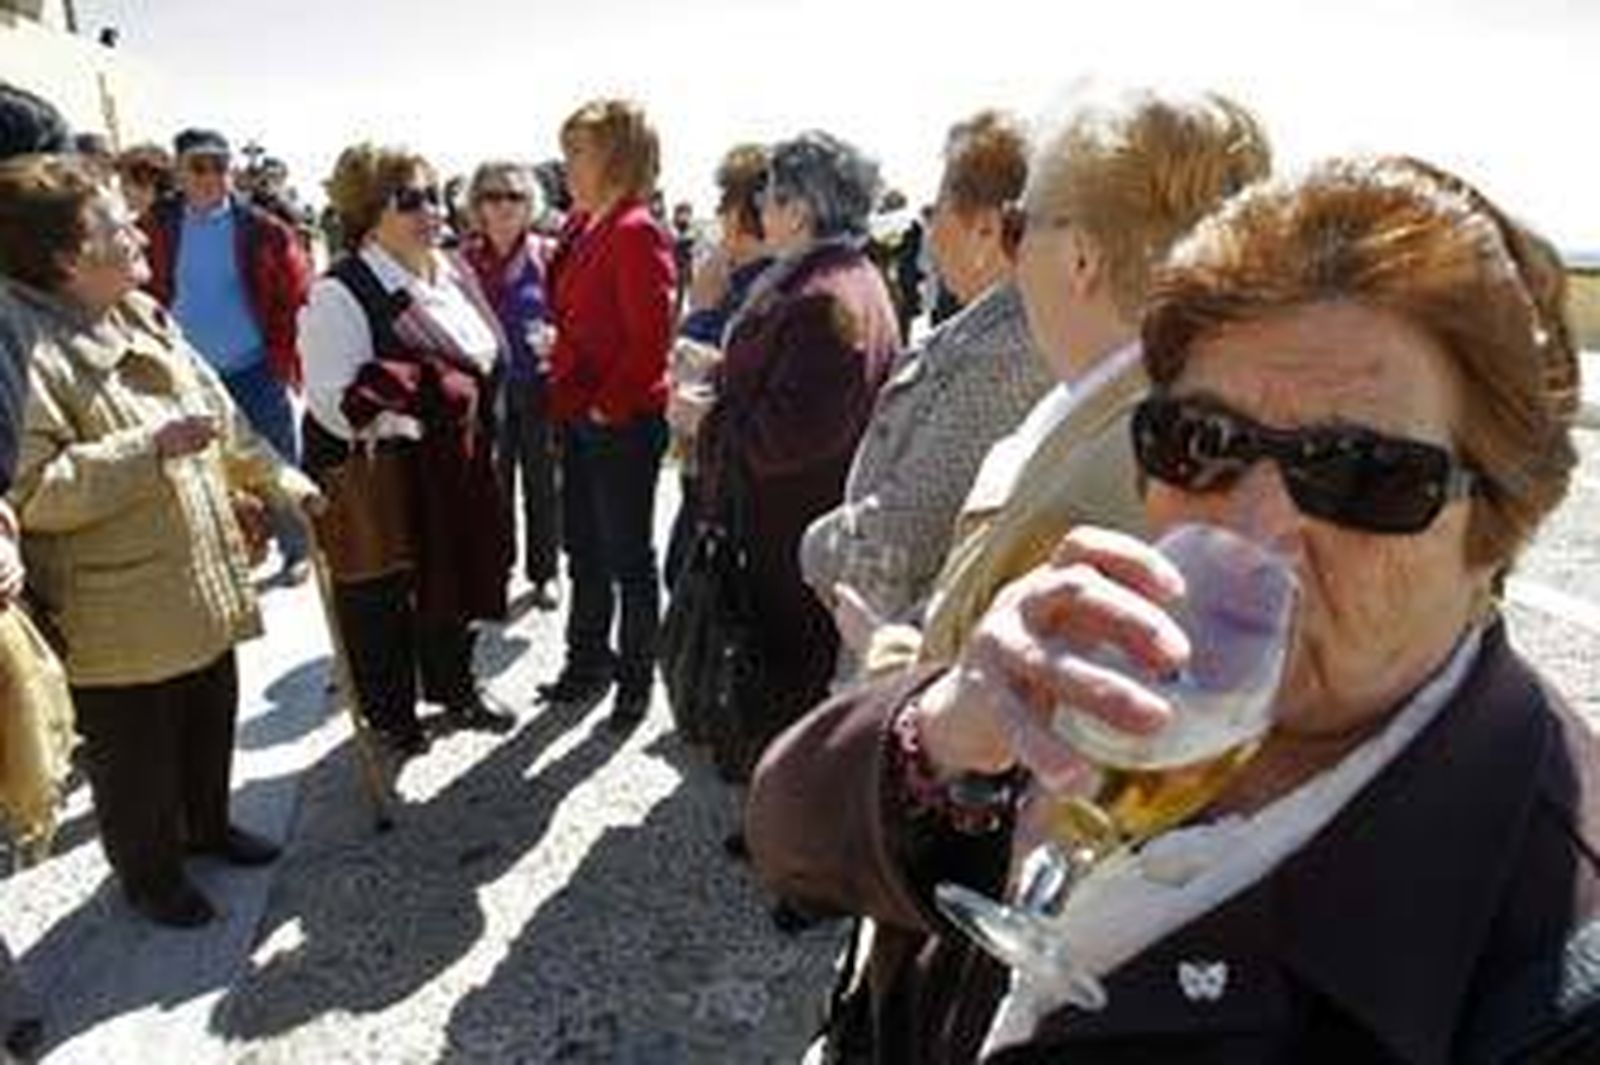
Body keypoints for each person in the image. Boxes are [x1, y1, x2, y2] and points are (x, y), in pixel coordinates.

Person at [749, 154, 1597, 1061]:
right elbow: (790, 841)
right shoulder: (1132, 668)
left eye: (1362, 472)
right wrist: (944, 727)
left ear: (1499, 526)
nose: (1258, 526)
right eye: (1202, 440)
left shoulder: (1551, 995)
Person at [2, 154, 322, 928]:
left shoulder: (144, 313)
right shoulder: (23, 350)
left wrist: (286, 484)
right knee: (136, 761)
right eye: (115, 223)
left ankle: (208, 827)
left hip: (191, 578)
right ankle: (150, 875)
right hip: (119, 612)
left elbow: (226, 420)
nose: (141, 228)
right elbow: (31, 491)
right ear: (66, 258)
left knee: (210, 710)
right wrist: (148, 449)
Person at [800, 109, 1050, 679]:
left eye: (936, 210)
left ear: (987, 228)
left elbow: (911, 521)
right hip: (899, 640)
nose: (930, 229)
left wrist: (817, 548)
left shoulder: (1006, 350)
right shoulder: (987, 329)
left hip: (910, 658)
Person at [692, 129, 900, 777]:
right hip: (798, 519)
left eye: (772, 199)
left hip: (787, 527)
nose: (762, 213)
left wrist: (704, 414)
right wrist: (723, 368)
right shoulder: (840, 276)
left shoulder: (822, 295)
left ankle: (779, 811)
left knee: (786, 674)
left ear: (801, 210)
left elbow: (790, 432)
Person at [299, 143, 516, 755]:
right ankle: (391, 715)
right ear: (370, 211)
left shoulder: (450, 270)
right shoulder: (342, 291)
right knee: (383, 596)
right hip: (388, 469)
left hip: (458, 463)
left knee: (461, 574)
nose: (435, 210)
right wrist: (423, 399)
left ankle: (454, 686)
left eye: (439, 194)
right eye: (412, 199)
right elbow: (333, 406)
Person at [540, 99, 677, 729]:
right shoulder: (582, 224)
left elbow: (650, 341)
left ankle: (633, 679)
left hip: (617, 421)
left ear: (616, 156)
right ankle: (586, 659)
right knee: (584, 548)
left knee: (628, 557)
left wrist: (604, 406)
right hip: (578, 412)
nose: (567, 165)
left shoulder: (635, 229)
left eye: (579, 151)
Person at [140, 127, 314, 585]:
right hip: (184, 374)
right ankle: (235, 553)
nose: (213, 175)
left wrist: (292, 354)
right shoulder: (154, 227)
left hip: (254, 367)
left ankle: (298, 549)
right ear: (178, 172)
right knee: (204, 469)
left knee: (279, 459)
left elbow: (298, 292)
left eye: (221, 165)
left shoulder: (261, 228)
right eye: (200, 165)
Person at [662, 143, 773, 587]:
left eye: (725, 200)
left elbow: (692, 362)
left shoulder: (757, 286)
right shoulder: (743, 275)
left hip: (726, 471)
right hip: (712, 462)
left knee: (690, 582)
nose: (718, 212)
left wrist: (702, 309)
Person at [460, 161, 561, 610]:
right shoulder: (459, 261)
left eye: (514, 196)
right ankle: (495, 572)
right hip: (483, 392)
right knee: (491, 488)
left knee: (542, 484)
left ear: (530, 205)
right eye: (492, 196)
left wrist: (558, 343)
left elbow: (571, 318)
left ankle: (545, 574)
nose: (503, 206)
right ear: (477, 206)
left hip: (539, 389)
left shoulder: (549, 255)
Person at [115, 142, 176, 222]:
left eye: (128, 182)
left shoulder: (171, 222)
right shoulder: (129, 220)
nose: (125, 190)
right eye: (123, 183)